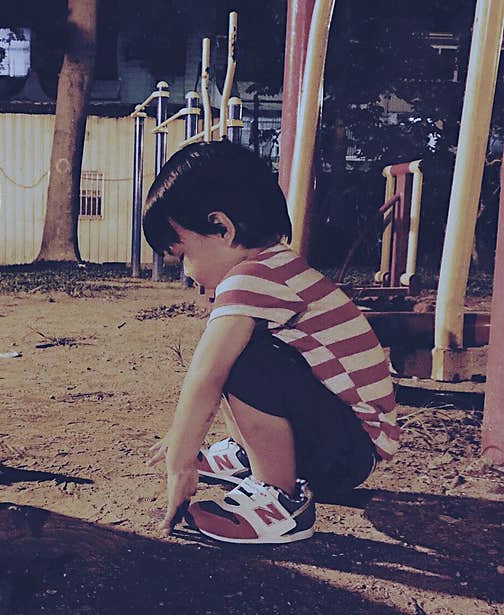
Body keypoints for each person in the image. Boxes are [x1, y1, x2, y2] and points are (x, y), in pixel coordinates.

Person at [145, 141, 399, 544]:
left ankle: (280, 500)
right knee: (239, 350)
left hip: (346, 453)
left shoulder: (251, 278)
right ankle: (251, 452)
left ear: (222, 228)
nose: (188, 273)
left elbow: (206, 375)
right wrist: (183, 436)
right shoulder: (276, 267)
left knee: (242, 361)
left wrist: (181, 461)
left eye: (183, 255)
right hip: (348, 440)